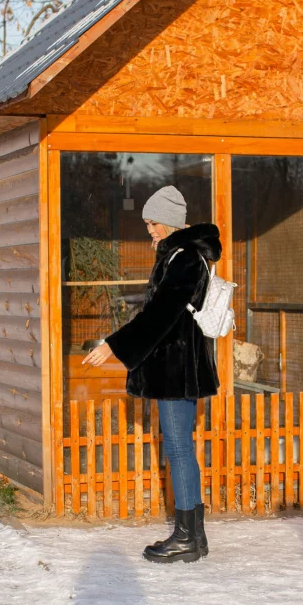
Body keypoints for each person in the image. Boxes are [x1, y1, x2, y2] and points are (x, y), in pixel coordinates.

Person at [82, 186, 221, 563]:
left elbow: (160, 315)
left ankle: (186, 538)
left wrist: (113, 345)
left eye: (153, 222)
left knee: (178, 449)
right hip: (177, 365)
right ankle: (194, 537)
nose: (150, 230)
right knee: (181, 448)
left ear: (171, 221)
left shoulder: (185, 257)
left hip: (177, 368)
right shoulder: (183, 254)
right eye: (147, 223)